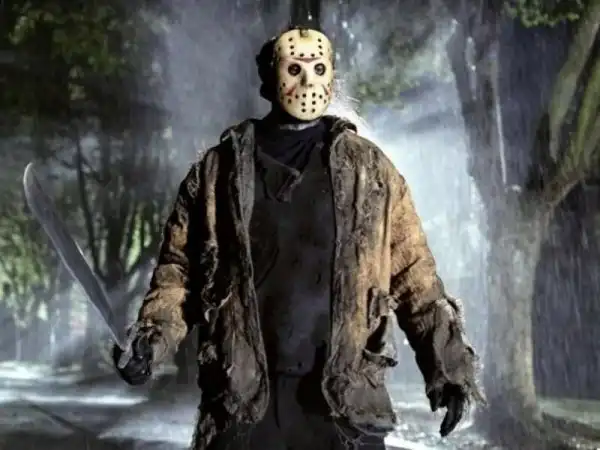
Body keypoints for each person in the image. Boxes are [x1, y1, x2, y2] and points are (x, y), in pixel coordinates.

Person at [113, 26, 484, 450]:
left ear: (331, 76)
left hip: (343, 405)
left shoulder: (370, 171)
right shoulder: (218, 171)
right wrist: (152, 340)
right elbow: (179, 275)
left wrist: (450, 368)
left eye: (318, 69)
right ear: (269, 77)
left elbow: (415, 277)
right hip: (243, 402)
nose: (307, 81)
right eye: (294, 69)